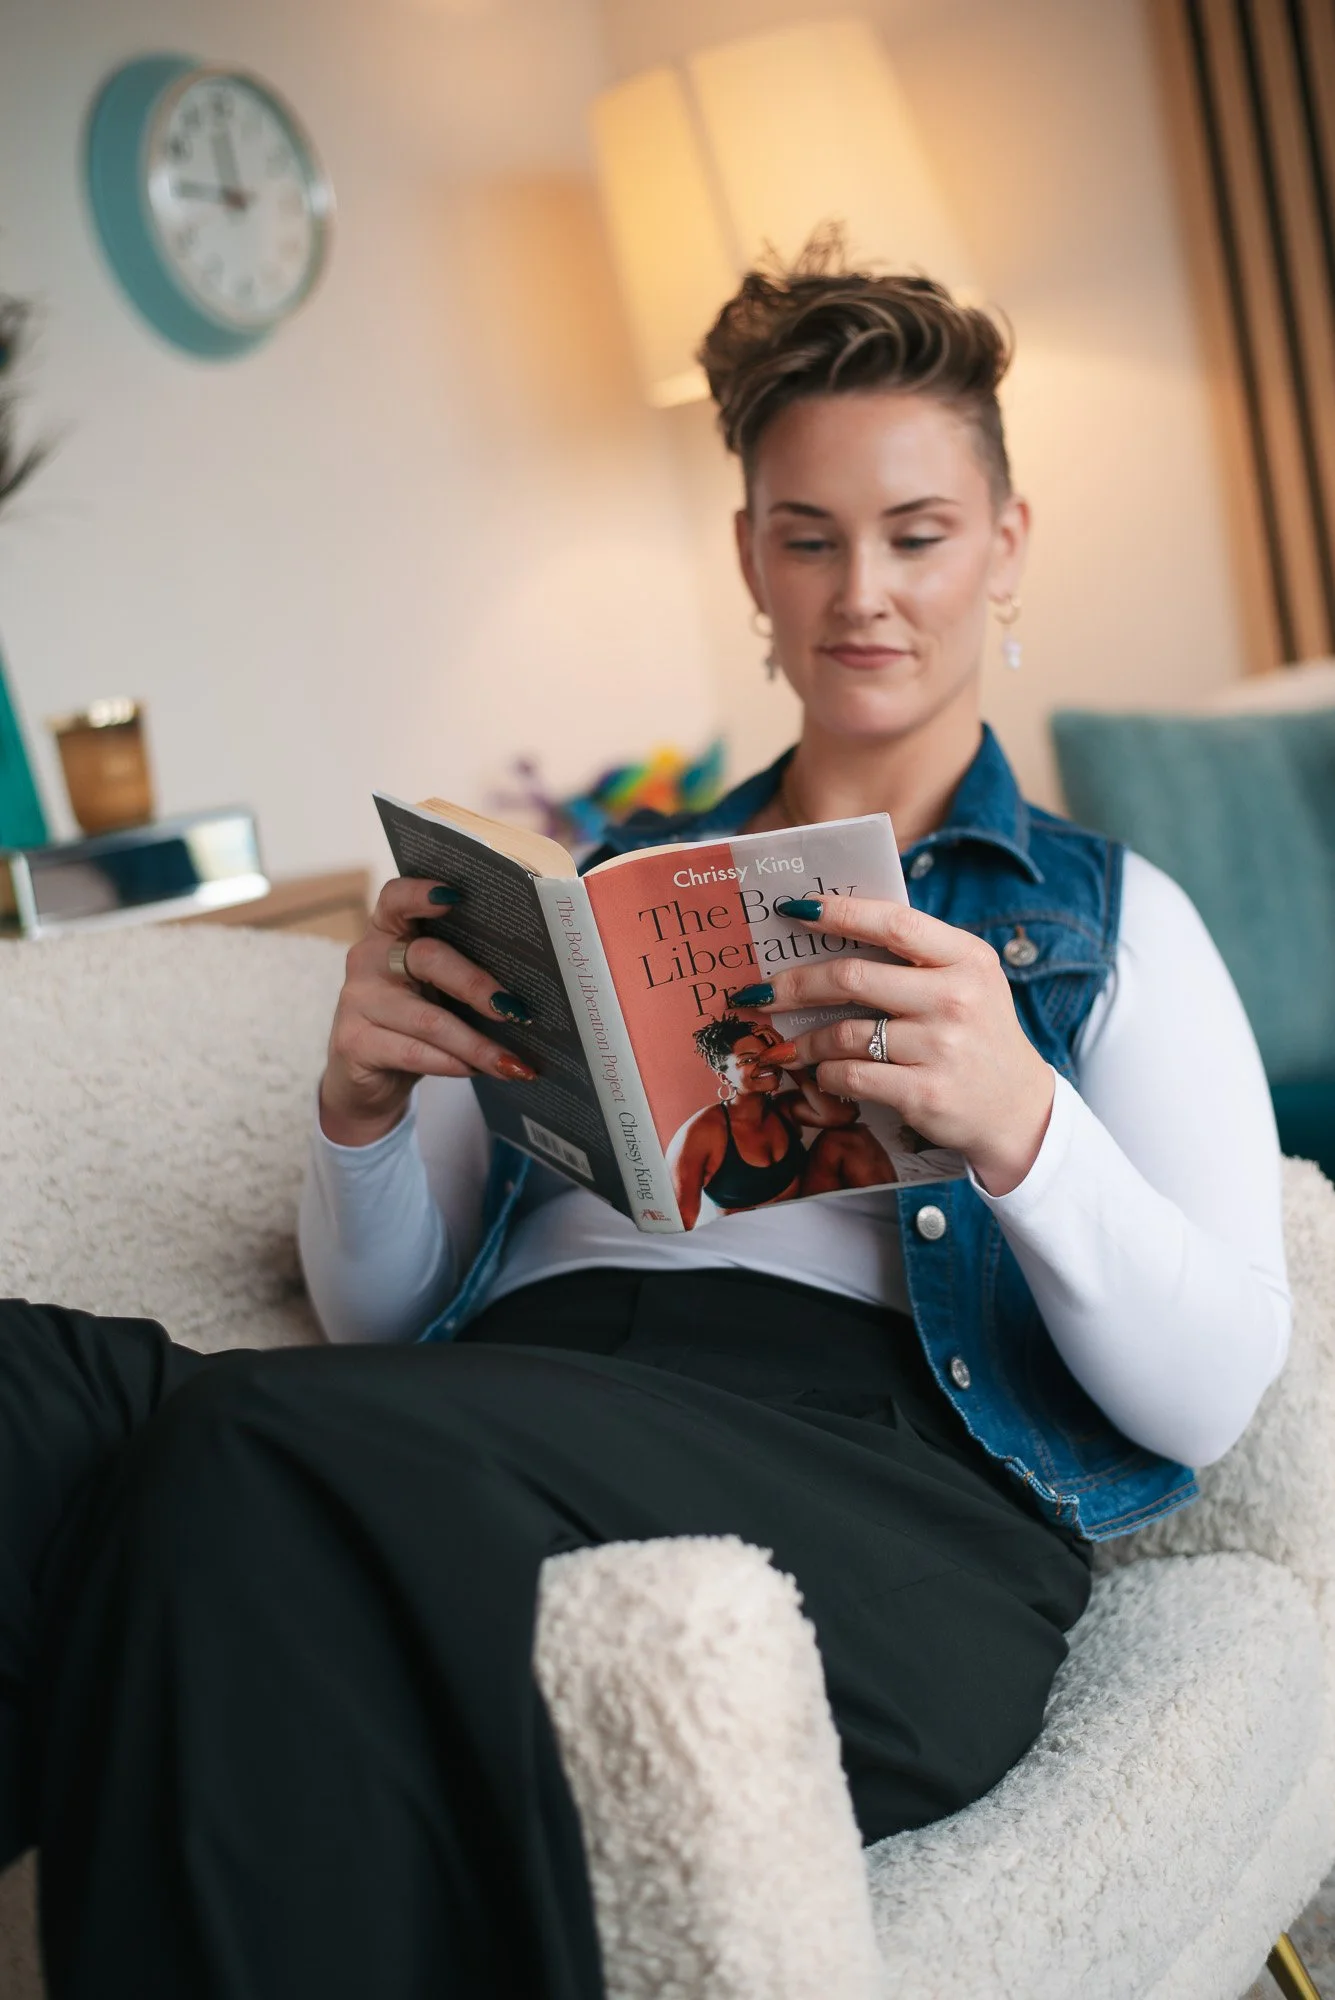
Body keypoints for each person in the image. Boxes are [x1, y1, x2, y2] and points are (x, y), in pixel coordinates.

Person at [1, 242, 1290, 2000]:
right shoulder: (604, 890)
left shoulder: (1104, 916)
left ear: (1007, 547)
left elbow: (1217, 1391)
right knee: (32, 1406)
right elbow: (380, 1314)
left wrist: (1024, 1129)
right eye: (807, 535)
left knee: (245, 1454)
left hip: (871, 1493)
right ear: (751, 560)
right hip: (501, 1410)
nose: (865, 594)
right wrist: (364, 1107)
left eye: (916, 532)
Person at [670, 1012, 861, 1226]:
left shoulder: (784, 1108)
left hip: (805, 1218)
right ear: (724, 1077)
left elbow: (844, 1116)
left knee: (850, 1138)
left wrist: (790, 1058)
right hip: (752, 1237)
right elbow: (681, 1221)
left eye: (769, 1055)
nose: (765, 1064)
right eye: (749, 1060)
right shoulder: (702, 1131)